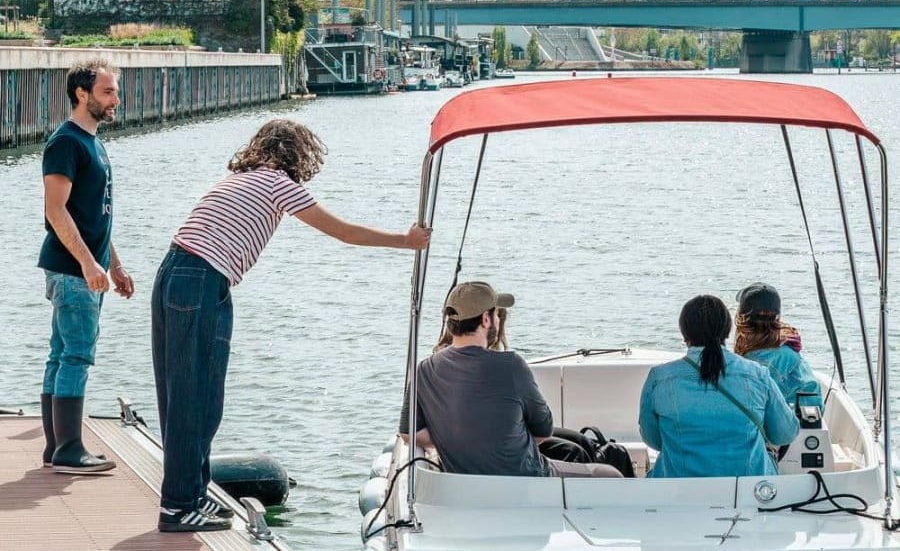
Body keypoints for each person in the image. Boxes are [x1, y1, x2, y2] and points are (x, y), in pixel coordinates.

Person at [151, 118, 431, 533]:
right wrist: (404, 240)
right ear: (297, 156)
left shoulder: (239, 178)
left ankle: (191, 495)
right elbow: (343, 231)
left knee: (191, 397)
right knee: (196, 400)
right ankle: (177, 506)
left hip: (178, 275)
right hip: (200, 281)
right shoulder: (278, 182)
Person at [400, 281, 621, 479]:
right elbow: (543, 430)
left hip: (464, 484)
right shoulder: (511, 365)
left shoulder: (423, 370)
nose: (498, 318)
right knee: (611, 474)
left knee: (574, 445)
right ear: (486, 319)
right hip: (528, 481)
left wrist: (453, 437)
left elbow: (408, 432)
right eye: (495, 313)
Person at [38, 59, 134, 475]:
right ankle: (70, 449)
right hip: (71, 269)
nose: (116, 100)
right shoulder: (66, 143)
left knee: (61, 355)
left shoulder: (95, 143)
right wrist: (87, 263)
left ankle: (56, 447)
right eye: (108, 92)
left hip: (84, 266)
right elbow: (56, 212)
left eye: (114, 92)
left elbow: (95, 216)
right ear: (83, 94)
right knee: (76, 355)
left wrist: (114, 264)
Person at [638, 295, 798, 478]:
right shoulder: (757, 375)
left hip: (677, 489)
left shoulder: (659, 378)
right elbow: (785, 434)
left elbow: (654, 440)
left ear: (684, 335)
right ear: (727, 331)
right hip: (748, 490)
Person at [734, 282, 823, 412]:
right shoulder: (787, 346)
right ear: (776, 317)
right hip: (809, 415)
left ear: (743, 318)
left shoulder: (756, 360)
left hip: (784, 421)